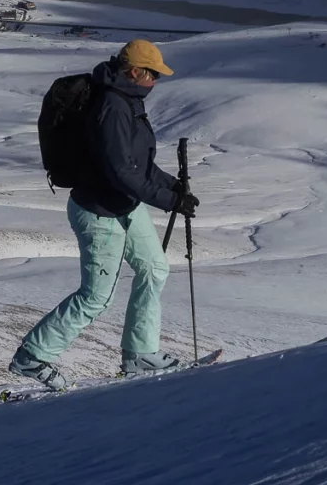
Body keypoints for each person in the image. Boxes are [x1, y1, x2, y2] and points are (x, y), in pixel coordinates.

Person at [10, 39, 199, 390]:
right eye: (154, 74)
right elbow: (121, 172)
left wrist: (175, 188)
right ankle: (31, 357)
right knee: (96, 296)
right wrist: (169, 201)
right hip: (98, 211)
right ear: (135, 71)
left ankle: (140, 354)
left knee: (154, 268)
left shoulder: (129, 101)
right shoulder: (112, 106)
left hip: (122, 204)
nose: (156, 81)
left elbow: (139, 164)